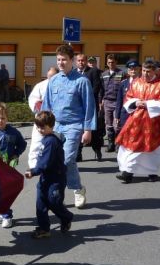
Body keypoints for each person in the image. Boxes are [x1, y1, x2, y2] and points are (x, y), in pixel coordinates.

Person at [41, 44, 96, 209]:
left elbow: (89, 107)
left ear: (71, 60)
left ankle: (76, 189)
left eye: (64, 59)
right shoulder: (53, 81)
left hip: (74, 126)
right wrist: (43, 126)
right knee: (57, 161)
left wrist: (88, 130)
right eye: (58, 59)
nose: (61, 62)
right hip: (56, 126)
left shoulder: (82, 81)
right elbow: (46, 106)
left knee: (66, 159)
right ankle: (66, 191)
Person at [115, 60, 160, 183]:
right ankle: (128, 172)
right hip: (136, 121)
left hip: (155, 121)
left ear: (154, 71)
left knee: (153, 149)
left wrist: (147, 104)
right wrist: (135, 102)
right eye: (143, 71)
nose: (145, 74)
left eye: (148, 71)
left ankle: (152, 172)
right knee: (131, 145)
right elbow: (128, 97)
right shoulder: (137, 83)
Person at [25, 110, 73, 238]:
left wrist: (33, 171)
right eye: (38, 127)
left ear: (51, 126)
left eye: (42, 127)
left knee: (54, 202)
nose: (40, 130)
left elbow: (45, 163)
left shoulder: (51, 142)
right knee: (40, 203)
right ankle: (44, 228)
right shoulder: (46, 139)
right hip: (45, 177)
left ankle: (66, 217)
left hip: (55, 179)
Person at [0, 102, 26, 228]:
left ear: (7, 118)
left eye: (3, 118)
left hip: (8, 167)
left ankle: (7, 215)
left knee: (6, 191)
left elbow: (22, 144)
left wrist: (15, 154)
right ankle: (0, 212)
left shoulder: (13, 132)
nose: (0, 121)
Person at [27, 66, 58, 169]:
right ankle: (34, 164)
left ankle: (55, 163)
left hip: (56, 120)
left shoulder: (63, 85)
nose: (50, 78)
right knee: (37, 141)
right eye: (48, 76)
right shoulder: (41, 85)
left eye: (53, 76)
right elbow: (33, 99)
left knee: (54, 142)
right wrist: (38, 105)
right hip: (41, 118)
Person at [76, 54, 104, 162]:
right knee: (79, 130)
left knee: (93, 129)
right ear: (76, 61)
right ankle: (78, 153)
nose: (81, 62)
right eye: (79, 60)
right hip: (77, 107)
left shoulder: (93, 71)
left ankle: (97, 149)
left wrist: (85, 98)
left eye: (83, 60)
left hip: (90, 105)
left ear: (86, 61)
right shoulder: (73, 72)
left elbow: (96, 87)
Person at [101, 54, 124, 152]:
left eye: (113, 62)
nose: (111, 64)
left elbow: (124, 89)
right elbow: (101, 89)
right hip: (107, 101)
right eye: (109, 62)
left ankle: (118, 144)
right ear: (107, 63)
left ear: (116, 62)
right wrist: (100, 100)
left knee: (117, 125)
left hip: (117, 102)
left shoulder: (122, 73)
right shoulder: (104, 74)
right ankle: (110, 144)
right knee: (108, 124)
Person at [113, 60, 141, 138]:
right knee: (125, 134)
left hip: (138, 113)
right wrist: (117, 116)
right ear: (128, 71)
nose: (133, 71)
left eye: (135, 69)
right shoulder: (123, 83)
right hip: (125, 114)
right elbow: (119, 100)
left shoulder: (143, 83)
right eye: (131, 69)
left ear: (139, 70)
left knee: (136, 135)